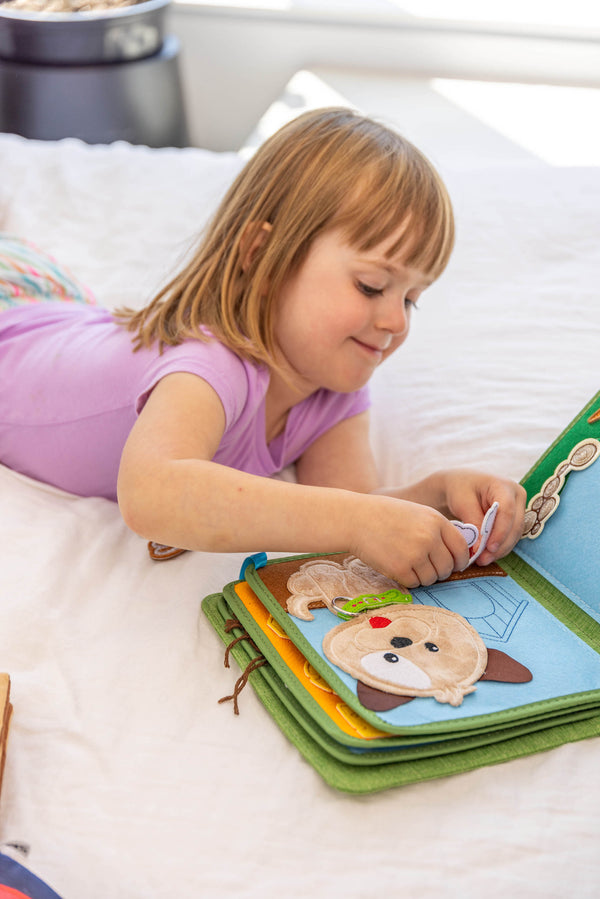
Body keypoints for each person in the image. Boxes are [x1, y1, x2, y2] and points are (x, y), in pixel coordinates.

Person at [0, 108, 525, 587]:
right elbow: (152, 493)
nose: (394, 322)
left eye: (412, 300)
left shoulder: (333, 387)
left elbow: (354, 509)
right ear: (261, 254)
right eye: (370, 286)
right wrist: (359, 520)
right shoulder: (210, 369)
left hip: (63, 316)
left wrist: (437, 496)